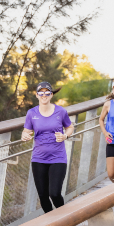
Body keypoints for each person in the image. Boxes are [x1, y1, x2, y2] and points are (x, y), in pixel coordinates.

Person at [22, 82, 75, 219]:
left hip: (58, 158)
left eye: (47, 93)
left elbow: (69, 127)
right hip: (38, 158)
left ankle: (64, 220)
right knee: (43, 196)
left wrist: (65, 135)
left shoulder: (60, 111)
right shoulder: (31, 113)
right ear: (37, 95)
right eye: (41, 93)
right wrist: (25, 135)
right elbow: (26, 131)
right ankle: (53, 223)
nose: (44, 95)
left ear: (51, 95)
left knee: (55, 193)